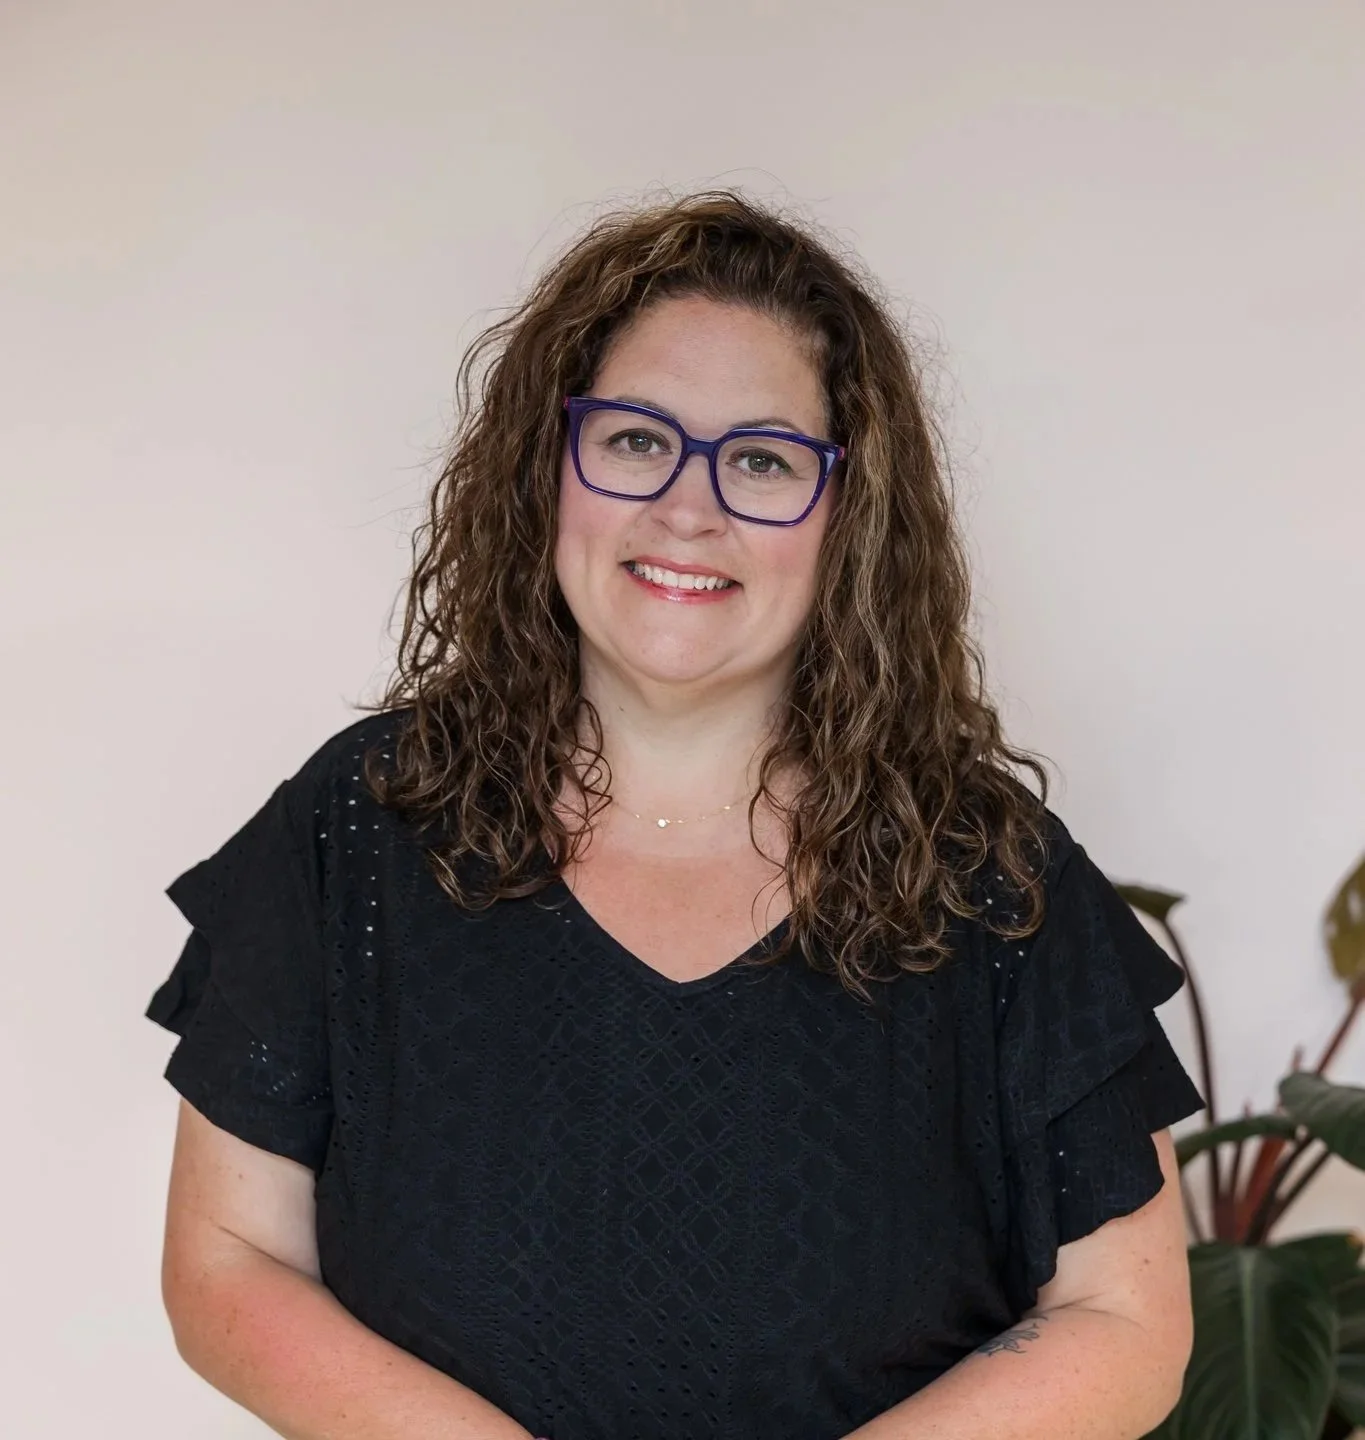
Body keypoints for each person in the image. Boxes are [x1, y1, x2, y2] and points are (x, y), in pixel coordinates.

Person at [144, 189, 1204, 1440]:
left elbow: (1124, 1325)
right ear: (552, 465)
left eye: (761, 459)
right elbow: (226, 1261)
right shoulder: (360, 827)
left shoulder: (990, 876)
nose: (688, 507)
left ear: (847, 517)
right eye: (638, 439)